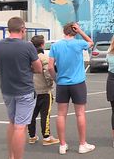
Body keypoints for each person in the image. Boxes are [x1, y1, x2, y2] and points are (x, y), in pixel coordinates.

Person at [0, 17, 42, 159]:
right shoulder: (27, 46)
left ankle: (11, 156)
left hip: (7, 90)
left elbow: (0, 65)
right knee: (20, 127)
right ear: (22, 29)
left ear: (9, 29)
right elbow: (38, 68)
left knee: (12, 123)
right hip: (25, 90)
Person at [48, 22, 95, 155]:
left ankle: (62, 145)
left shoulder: (55, 46)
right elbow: (91, 42)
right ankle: (82, 144)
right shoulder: (79, 44)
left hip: (62, 84)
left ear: (64, 31)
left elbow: (50, 67)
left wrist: (56, 79)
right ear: (74, 31)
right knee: (80, 113)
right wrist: (80, 31)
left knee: (61, 114)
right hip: (78, 83)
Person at [28, 35, 60, 146]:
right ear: (42, 44)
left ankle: (32, 136)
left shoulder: (28, 57)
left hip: (31, 90)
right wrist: (51, 84)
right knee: (45, 115)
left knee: (32, 114)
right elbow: (47, 73)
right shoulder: (43, 58)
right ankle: (46, 137)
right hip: (44, 90)